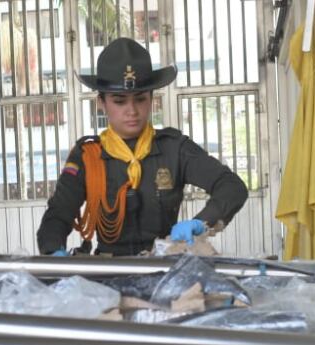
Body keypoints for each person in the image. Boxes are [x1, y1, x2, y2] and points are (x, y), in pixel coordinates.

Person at [36, 38, 248, 257]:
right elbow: (59, 213)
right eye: (119, 101)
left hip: (165, 265)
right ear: (101, 102)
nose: (132, 111)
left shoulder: (174, 149)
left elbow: (231, 186)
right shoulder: (88, 156)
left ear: (152, 99)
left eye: (140, 99)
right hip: (107, 270)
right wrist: (53, 251)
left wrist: (200, 222)